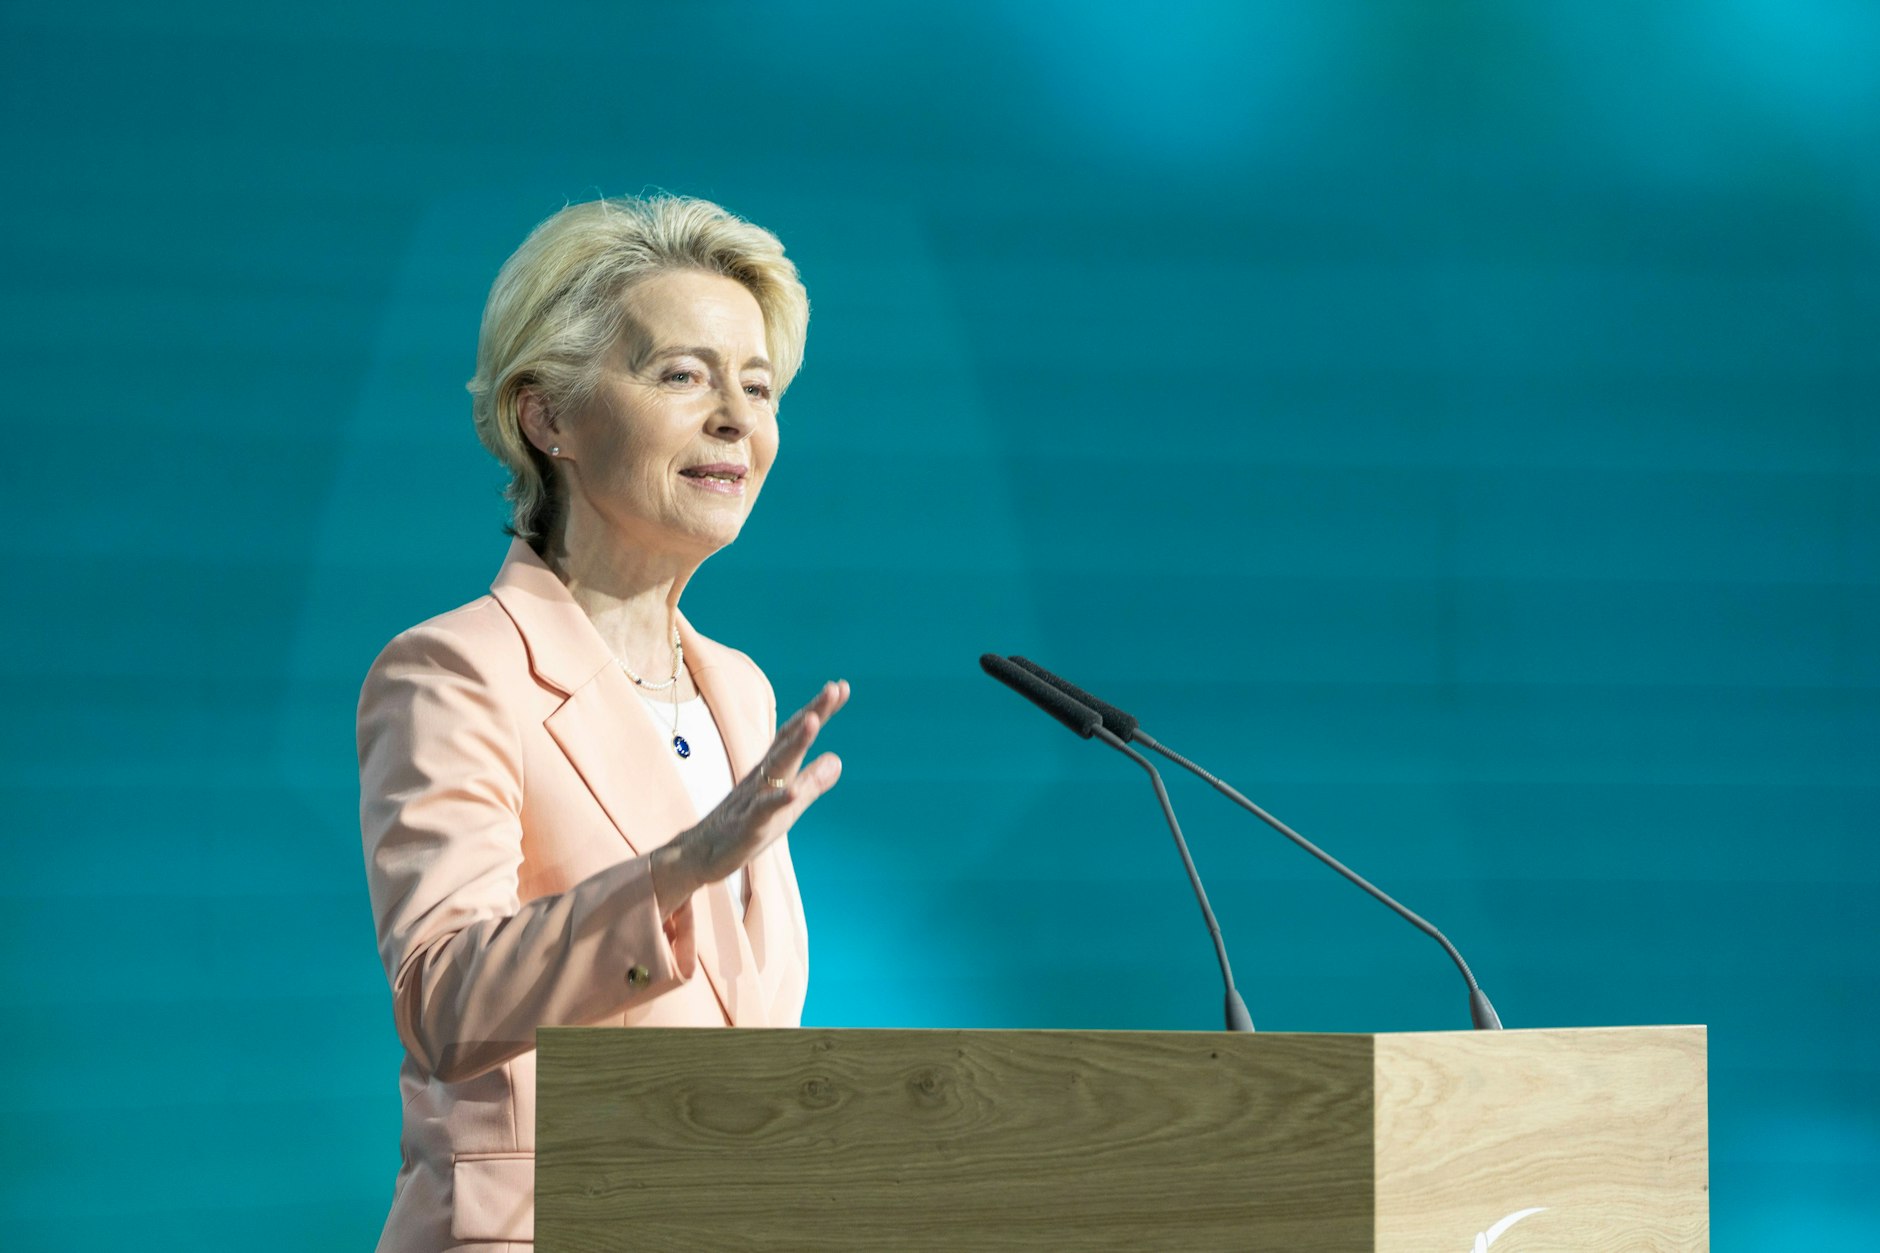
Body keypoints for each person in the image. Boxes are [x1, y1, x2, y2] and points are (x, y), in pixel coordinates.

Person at [356, 195, 847, 1252]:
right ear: (549, 418)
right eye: (683, 374)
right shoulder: (455, 671)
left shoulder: (743, 689)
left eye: (756, 386)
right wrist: (673, 870)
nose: (735, 418)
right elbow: (445, 999)